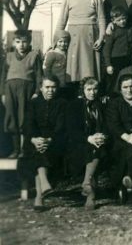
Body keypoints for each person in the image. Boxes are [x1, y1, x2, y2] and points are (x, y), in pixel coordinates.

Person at [21, 75, 66, 211]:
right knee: (38, 150)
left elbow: (61, 126)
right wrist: (34, 139)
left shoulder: (62, 103)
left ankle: (39, 198)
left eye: (53, 87)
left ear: (57, 88)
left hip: (55, 141)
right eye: (47, 87)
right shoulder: (33, 103)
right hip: (33, 140)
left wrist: (49, 139)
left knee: (43, 150)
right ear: (41, 88)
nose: (50, 90)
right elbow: (27, 124)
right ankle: (43, 187)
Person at [55, 0, 106, 83]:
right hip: (73, 37)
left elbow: (102, 19)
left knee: (90, 65)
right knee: (74, 67)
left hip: (91, 36)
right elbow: (62, 21)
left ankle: (91, 89)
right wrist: (55, 41)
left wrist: (101, 38)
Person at [66, 77, 107, 210]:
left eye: (95, 89)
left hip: (100, 142)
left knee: (98, 147)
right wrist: (89, 138)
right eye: (89, 89)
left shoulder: (101, 105)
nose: (92, 92)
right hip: (80, 143)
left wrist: (102, 136)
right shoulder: (75, 105)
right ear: (83, 90)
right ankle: (90, 192)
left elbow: (108, 125)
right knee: (93, 148)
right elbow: (72, 130)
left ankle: (87, 184)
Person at [1, 30, 43, 158]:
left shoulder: (34, 56)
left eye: (24, 42)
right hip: (10, 90)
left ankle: (24, 150)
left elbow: (39, 76)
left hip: (26, 90)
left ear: (29, 42)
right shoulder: (8, 57)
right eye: (18, 42)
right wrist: (2, 93)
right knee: (11, 118)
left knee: (23, 118)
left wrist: (36, 92)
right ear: (14, 43)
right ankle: (15, 150)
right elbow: (3, 76)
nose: (21, 45)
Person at [107, 74, 132, 205]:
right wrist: (128, 137)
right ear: (120, 89)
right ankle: (130, 187)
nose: (129, 90)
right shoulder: (115, 104)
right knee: (131, 151)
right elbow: (114, 125)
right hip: (120, 140)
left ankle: (126, 186)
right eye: (125, 87)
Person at [103, 7, 132, 93]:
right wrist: (108, 64)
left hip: (127, 58)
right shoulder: (112, 31)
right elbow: (107, 49)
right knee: (114, 80)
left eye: (124, 18)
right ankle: (111, 96)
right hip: (115, 60)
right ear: (113, 20)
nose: (122, 21)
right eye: (119, 20)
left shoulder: (129, 29)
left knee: (126, 78)